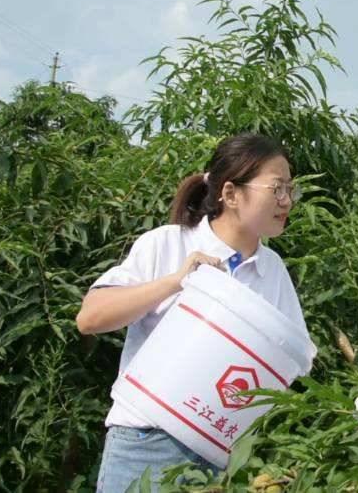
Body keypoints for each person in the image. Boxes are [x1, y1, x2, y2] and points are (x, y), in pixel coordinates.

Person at [76, 134, 316, 493]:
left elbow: (297, 357)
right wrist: (177, 281)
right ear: (231, 194)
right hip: (147, 445)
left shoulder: (272, 269)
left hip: (220, 461)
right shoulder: (169, 243)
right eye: (277, 188)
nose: (287, 201)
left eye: (289, 190)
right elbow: (90, 318)